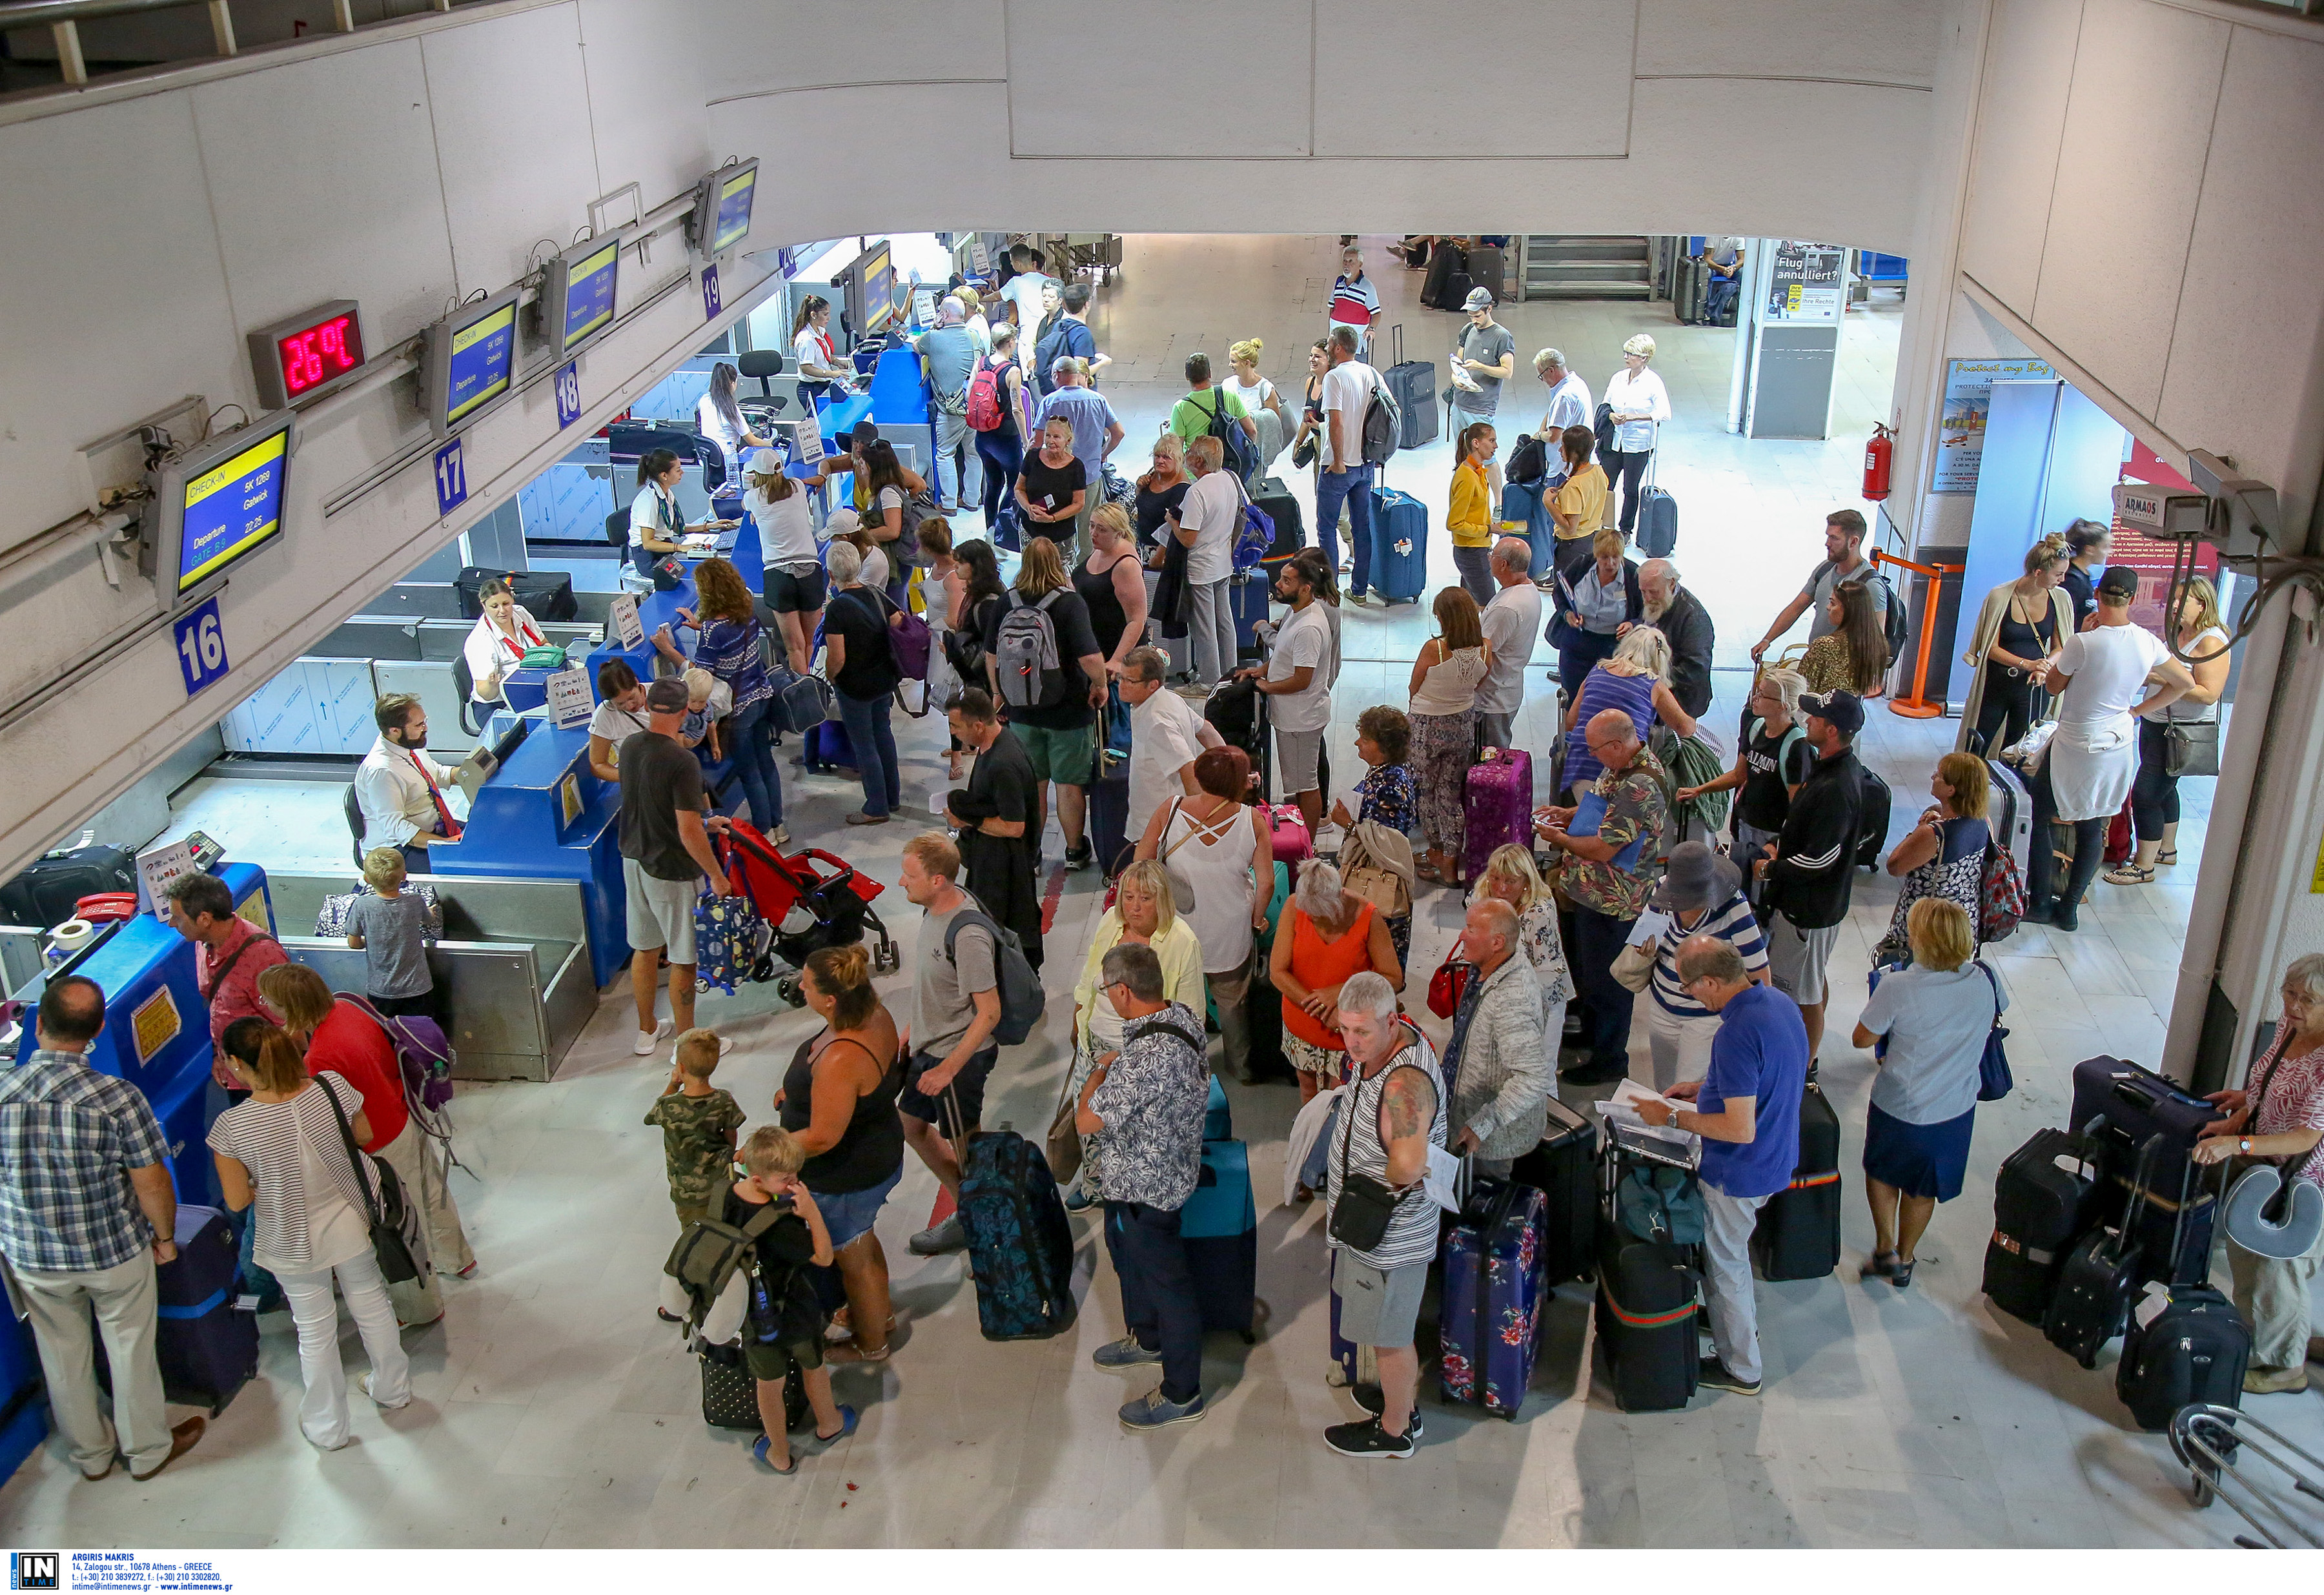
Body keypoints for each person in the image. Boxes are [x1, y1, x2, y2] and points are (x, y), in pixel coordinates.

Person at [0, 977, 204, 1482]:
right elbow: (152, 1181)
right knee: (130, 1346)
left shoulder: (3, 1092)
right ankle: (146, 1450)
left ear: (38, 1023)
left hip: (34, 1257)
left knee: (61, 1354)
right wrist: (163, 1239)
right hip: (112, 1252)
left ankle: (90, 1456)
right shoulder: (116, 1097)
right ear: (95, 1031)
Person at [209, 1023, 410, 1450]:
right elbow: (365, 1135)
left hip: (291, 1238)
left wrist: (264, 1181)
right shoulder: (330, 1086)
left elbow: (238, 1200)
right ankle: (393, 1388)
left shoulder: (232, 1126)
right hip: (350, 1220)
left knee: (315, 1331)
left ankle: (328, 1427)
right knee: (372, 1302)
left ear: (239, 1064)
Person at [1633, 936, 1809, 1399]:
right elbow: (1767, 1076)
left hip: (1738, 1171)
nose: (1692, 995)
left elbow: (1737, 1128)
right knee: (1732, 1254)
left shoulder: (1735, 1033)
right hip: (1778, 1156)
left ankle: (1741, 1366)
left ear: (1711, 980)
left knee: (1725, 1261)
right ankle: (1735, 1323)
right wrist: (1705, 1087)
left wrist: (1669, 1115)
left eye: (1691, 987)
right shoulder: (1779, 1003)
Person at [258, 962, 473, 1307]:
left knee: (403, 1225)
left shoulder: (321, 1057)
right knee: (432, 1194)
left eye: (269, 1001)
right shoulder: (349, 1005)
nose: (264, 1005)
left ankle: (421, 1306)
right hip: (405, 1113)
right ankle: (458, 1257)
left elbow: (336, 1121)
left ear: (291, 1010)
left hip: (382, 1142)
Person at [1077, 943, 1213, 1430]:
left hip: (1146, 1188)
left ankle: (1182, 1391)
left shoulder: (1142, 1059)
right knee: (1127, 1253)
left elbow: (1087, 1120)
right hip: (1164, 1171)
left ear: (1122, 991)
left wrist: (1098, 1071)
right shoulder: (1183, 1017)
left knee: (1169, 1285)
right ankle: (1148, 1337)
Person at [1321, 971, 1447, 1459]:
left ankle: (1395, 1430)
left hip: (1389, 1237)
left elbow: (1411, 1162)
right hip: (1377, 1234)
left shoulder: (1404, 1082)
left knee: (1390, 1338)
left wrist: (1375, 1196)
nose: (1352, 1043)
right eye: (1346, 1030)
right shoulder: (1393, 1047)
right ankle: (1400, 1399)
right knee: (1384, 1328)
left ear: (1392, 1021)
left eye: (1363, 1032)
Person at [2030, 565, 2194, 930]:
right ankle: (2070, 908)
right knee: (2094, 824)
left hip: (2076, 741)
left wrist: (2081, 637)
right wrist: (2136, 710)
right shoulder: (2147, 642)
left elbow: (2054, 686)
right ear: (2133, 600)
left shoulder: (2084, 642)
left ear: (2098, 595)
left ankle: (2040, 901)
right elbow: (2183, 682)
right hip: (2117, 740)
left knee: (2041, 813)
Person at [1851, 899, 2003, 1288]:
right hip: (1954, 1108)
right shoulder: (1985, 978)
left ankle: (1884, 1248)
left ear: (1920, 938)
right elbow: (1997, 1013)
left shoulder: (1898, 986)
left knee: (1883, 1172)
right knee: (1923, 1188)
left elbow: (1860, 1039)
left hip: (1900, 1104)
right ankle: (1905, 1257)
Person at [2192, 954, 2324, 1396]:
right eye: (2289, 993)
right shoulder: (2292, 1031)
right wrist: (2244, 1106)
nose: (2293, 1006)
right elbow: (2270, 1084)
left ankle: (2286, 1367)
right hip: (2266, 1174)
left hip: (2308, 1186)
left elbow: (2306, 1136)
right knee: (2247, 1254)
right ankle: (2257, 1340)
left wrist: (2237, 1144)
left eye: (2308, 999)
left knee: (2279, 1269)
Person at [780, 944, 906, 1365]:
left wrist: (767, 1150)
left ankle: (870, 1343)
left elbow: (822, 1137)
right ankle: (880, 1315)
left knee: (854, 1260)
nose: (800, 986)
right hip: (877, 1147)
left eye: (807, 983)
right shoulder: (874, 1013)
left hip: (847, 1173)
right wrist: (795, 1094)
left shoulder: (842, 1056)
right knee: (863, 1244)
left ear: (830, 998)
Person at [1536, 709, 1669, 1084]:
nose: (1592, 757)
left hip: (1612, 901)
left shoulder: (1640, 785)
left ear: (1616, 743)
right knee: (1587, 973)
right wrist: (1568, 813)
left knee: (1609, 983)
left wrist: (1560, 839)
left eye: (1595, 750)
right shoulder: (1623, 765)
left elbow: (1605, 848)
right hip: (1589, 893)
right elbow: (1605, 807)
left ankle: (1610, 1058)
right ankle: (1590, 1033)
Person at [714, 1126, 857, 1473]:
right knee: (814, 1366)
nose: (794, 1184)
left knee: (769, 1384)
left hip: (751, 1315)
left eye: (796, 1175)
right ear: (760, 1179)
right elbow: (823, 1258)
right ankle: (829, 1423)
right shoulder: (782, 1224)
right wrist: (811, 1213)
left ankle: (779, 1453)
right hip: (795, 1312)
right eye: (785, 1179)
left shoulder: (726, 1194)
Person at [1067, 862, 1205, 1210]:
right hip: (1095, 1042)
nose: (1135, 906)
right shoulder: (1109, 924)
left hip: (1140, 1049)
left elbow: (1192, 1011)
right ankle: (1093, 1182)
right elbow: (1088, 977)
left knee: (1133, 1130)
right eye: (1128, 897)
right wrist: (1079, 1015)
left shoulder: (1182, 942)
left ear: (1163, 901)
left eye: (1145, 898)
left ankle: (1128, 1194)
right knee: (1091, 1124)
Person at [895, 833, 1006, 1256]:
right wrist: (912, 1029)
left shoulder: (967, 934)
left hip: (958, 1059)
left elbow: (989, 1012)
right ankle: (968, 1208)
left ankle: (988, 1237)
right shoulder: (932, 911)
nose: (901, 882)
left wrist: (949, 1068)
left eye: (910, 874)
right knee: (911, 1126)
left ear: (938, 880)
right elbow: (935, 987)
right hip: (930, 1047)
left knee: (968, 1151)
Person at [1137, 747, 1273, 1084]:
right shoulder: (1252, 821)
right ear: (1242, 784)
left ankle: (1181, 1067)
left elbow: (1141, 862)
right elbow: (1267, 883)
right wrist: (1257, 920)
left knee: (1177, 1000)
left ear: (1197, 776)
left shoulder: (1170, 811)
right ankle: (1239, 1068)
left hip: (1176, 929)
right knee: (1231, 1004)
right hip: (1229, 932)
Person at [618, 677, 730, 1055]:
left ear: (649, 704)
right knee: (684, 957)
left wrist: (703, 821)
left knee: (645, 948)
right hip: (670, 869)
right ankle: (688, 1047)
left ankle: (647, 1031)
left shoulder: (631, 747)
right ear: (685, 712)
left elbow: (654, 806)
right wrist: (716, 874)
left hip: (633, 860)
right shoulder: (682, 759)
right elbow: (686, 831)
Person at [983, 536, 1107, 868]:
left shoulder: (1006, 602)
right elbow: (1090, 657)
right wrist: (1100, 684)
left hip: (1022, 710)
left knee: (1033, 784)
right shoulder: (1070, 603)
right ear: (1059, 562)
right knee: (1068, 784)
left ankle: (1032, 853)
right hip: (1068, 710)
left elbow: (991, 654)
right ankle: (1074, 851)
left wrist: (999, 694)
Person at [1756, 689, 1866, 1061]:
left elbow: (1821, 859)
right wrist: (1780, 844)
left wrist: (1773, 867)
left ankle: (1805, 1065)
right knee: (1813, 980)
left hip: (1810, 909)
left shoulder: (1837, 787)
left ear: (1832, 730)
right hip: (1816, 906)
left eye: (1815, 718)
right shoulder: (1828, 767)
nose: (1807, 721)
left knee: (1804, 996)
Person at [2111, 573, 2232, 886]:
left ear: (2202, 604)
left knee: (2146, 794)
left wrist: (2163, 680)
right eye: (2174, 599)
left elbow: (2209, 692)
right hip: (2157, 722)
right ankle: (2166, 849)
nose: (2175, 605)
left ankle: (2144, 865)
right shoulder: (2179, 633)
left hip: (2181, 731)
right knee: (2167, 789)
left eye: (2182, 600)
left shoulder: (2211, 640)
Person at [662, 556, 782, 839]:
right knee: (766, 762)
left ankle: (763, 831)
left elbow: (700, 680)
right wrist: (701, 628)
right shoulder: (748, 611)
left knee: (749, 770)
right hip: (762, 696)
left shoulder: (713, 632)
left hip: (738, 709)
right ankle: (778, 824)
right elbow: (731, 640)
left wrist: (668, 649)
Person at [1637, 842, 1769, 1092]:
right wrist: (1645, 948)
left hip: (1706, 1020)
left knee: (1690, 1092)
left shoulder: (1734, 907)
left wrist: (1748, 1027)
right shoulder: (1662, 891)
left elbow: (1760, 975)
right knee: (1665, 1088)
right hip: (1661, 1008)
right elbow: (1644, 936)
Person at [1273, 861, 1403, 1104]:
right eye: (1309, 914)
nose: (1312, 920)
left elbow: (1393, 978)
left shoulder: (1368, 916)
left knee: (1341, 1096)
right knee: (1307, 1089)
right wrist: (1324, 1012)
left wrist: (1342, 991)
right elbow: (1278, 972)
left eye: (1320, 915)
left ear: (1338, 899)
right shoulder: (1294, 906)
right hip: (1303, 1022)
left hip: (1349, 1031)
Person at [1682, 668, 1811, 900]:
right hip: (1744, 822)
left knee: (1761, 895)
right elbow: (1739, 775)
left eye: (1762, 695)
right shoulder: (1755, 728)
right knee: (1739, 884)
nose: (1754, 699)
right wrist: (1700, 790)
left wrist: (1779, 845)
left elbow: (1798, 808)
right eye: (1756, 691)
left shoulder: (1796, 747)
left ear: (1783, 705)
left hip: (1771, 833)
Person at [1444, 898, 1550, 1177]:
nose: (1461, 935)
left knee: (1483, 1206)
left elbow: (1533, 1078)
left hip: (1489, 1141)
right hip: (1466, 1116)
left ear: (1497, 942)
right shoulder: (1491, 966)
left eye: (1471, 929)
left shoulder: (1511, 999)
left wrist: (1483, 1124)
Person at [164, 870, 287, 1101]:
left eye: (177, 918)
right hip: (235, 1070)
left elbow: (289, 1025)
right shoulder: (203, 944)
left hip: (269, 1078)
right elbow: (217, 1007)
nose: (172, 924)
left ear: (204, 919)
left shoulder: (263, 956)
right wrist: (220, 1056)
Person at [1234, 551, 1334, 831]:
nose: (1279, 584)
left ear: (1306, 588)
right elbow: (1284, 655)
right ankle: (1301, 835)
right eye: (1281, 578)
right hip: (1291, 717)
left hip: (1301, 720)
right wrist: (1263, 670)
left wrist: (1268, 686)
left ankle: (1308, 845)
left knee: (1306, 785)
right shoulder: (1295, 612)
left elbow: (1302, 678)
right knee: (1297, 784)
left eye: (1287, 581)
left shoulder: (1310, 628)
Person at [945, 690, 1042, 970]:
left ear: (978, 726)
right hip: (992, 858)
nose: (954, 734)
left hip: (1005, 869)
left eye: (956, 727)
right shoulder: (994, 744)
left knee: (1007, 935)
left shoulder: (1003, 764)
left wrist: (967, 821)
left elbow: (1014, 827)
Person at [1956, 533, 2073, 757]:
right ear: (2038, 572)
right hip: (1998, 682)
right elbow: (1989, 647)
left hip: (2032, 687)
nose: (2063, 580)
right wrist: (2028, 664)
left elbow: (2061, 646)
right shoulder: (2000, 597)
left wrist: (2044, 666)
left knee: (2018, 749)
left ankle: (2009, 789)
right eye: (2058, 574)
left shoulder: (2060, 599)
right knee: (1978, 744)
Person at [1407, 587, 1494, 885]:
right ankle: (1452, 861)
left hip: (1426, 726)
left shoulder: (1436, 649)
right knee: (1451, 792)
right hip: (1462, 724)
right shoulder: (1485, 647)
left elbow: (1414, 685)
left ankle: (1434, 852)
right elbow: (1480, 681)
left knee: (1427, 792)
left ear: (1443, 617)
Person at [1876, 753, 1992, 966]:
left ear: (1952, 789)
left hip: (1926, 928)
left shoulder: (1932, 834)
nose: (1933, 777)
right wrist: (1939, 812)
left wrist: (1918, 829)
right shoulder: (1983, 822)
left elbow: (1894, 865)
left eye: (1939, 775)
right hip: (1962, 925)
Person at [821, 541, 904, 827]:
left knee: (864, 744)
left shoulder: (837, 610)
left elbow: (837, 658)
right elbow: (898, 620)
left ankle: (876, 806)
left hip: (856, 687)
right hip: (884, 679)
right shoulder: (876, 594)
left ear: (831, 575)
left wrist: (830, 677)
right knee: (883, 735)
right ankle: (892, 797)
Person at [1560, 624, 1697, 796]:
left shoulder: (1597, 671)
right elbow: (1684, 728)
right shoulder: (1653, 685)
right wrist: (1693, 720)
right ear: (1660, 658)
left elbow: (1571, 723)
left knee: (1592, 816)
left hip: (1581, 765)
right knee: (1614, 819)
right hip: (1621, 771)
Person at [1749, 509, 1888, 664]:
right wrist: (1767, 639)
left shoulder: (1870, 585)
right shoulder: (1825, 569)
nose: (1827, 543)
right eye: (1828, 536)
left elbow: (1876, 644)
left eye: (1834, 538)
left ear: (1853, 542)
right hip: (1817, 663)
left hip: (1845, 673)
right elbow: (1797, 607)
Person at [644, 1022, 746, 1227]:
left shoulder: (669, 1105)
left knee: (695, 1236)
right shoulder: (723, 1100)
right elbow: (731, 1134)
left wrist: (673, 1084)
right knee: (727, 1229)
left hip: (687, 1193)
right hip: (722, 1185)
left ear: (680, 1067)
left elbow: (650, 1118)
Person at [1121, 645, 1222, 848]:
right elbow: (1207, 731)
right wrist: (1230, 771)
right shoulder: (1171, 698)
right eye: (1121, 678)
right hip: (1161, 819)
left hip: (1162, 827)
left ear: (1152, 685)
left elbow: (1188, 770)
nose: (1121, 686)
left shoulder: (1157, 722)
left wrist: (1203, 824)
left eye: (1129, 681)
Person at [355, 693, 461, 870]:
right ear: (395, 730)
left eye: (424, 721)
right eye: (419, 725)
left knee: (488, 837)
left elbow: (437, 775)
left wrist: (477, 772)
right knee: (468, 864)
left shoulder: (410, 745)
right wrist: (445, 844)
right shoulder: (382, 771)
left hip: (432, 829)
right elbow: (396, 828)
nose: (425, 728)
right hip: (398, 848)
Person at [1171, 435, 1243, 688]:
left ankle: (1210, 681)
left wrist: (1172, 523)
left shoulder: (1197, 492)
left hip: (1202, 567)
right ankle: (1231, 672)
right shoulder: (1229, 479)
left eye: (1189, 451)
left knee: (1204, 628)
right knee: (1225, 621)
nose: (1186, 454)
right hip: (1223, 562)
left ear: (1198, 461)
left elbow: (1188, 539)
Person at [1478, 845, 1572, 1039]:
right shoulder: (1481, 896)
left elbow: (1549, 971)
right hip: (1498, 997)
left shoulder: (1538, 912)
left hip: (1542, 999)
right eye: (1495, 878)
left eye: (1511, 881)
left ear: (1526, 882)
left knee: (1541, 1065)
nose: (1501, 888)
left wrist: (1511, 998)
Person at [343, 846, 442, 1028]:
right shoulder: (415, 901)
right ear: (404, 877)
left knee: (387, 1037)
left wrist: (370, 940)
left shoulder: (362, 905)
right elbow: (428, 920)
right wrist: (430, 912)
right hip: (418, 988)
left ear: (366, 880)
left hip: (382, 991)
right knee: (421, 1037)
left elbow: (353, 943)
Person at [1035, 360, 1124, 559]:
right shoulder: (1099, 400)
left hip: (1057, 481)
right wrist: (1103, 453)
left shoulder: (1050, 402)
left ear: (1057, 375)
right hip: (1090, 478)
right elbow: (1118, 433)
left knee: (1057, 531)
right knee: (1089, 533)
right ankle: (1084, 578)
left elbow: (1037, 441)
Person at [746, 449, 824, 675]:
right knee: (809, 644)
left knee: (795, 649)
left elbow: (748, 506)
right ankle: (813, 688)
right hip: (810, 569)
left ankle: (802, 696)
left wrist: (755, 513)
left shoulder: (753, 497)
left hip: (778, 574)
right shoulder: (798, 487)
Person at [1318, 325, 1383, 594]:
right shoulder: (1372, 373)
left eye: (1331, 344)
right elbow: (1390, 412)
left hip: (1340, 467)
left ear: (1339, 348)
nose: (1328, 348)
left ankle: (1330, 592)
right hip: (1366, 465)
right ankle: (1359, 591)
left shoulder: (1334, 378)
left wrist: (1339, 460)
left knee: (1327, 528)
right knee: (1361, 527)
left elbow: (1336, 422)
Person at [1551, 527, 1643, 704]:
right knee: (1572, 698)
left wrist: (1633, 623)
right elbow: (1559, 593)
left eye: (1616, 557)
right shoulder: (1582, 566)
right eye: (1604, 558)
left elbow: (1646, 611)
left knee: (1606, 700)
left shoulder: (1633, 575)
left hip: (1613, 650)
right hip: (1577, 645)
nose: (1610, 564)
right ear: (1595, 555)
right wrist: (1567, 613)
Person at [1472, 538, 1542, 751]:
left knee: (1488, 762)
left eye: (1492, 554)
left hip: (1493, 700)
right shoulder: (1526, 589)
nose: (1488, 558)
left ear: (1503, 564)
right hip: (1506, 688)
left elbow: (1482, 653)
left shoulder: (1507, 607)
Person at [1448, 290, 1517, 498]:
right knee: (1462, 454)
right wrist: (1456, 380)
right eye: (1471, 316)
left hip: (1481, 408)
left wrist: (1481, 366)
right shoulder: (1468, 330)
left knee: (1488, 457)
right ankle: (1466, 492)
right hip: (1460, 403)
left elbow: (1507, 371)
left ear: (1489, 309)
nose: (1474, 320)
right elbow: (1457, 365)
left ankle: (1499, 501)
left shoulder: (1502, 337)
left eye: (1478, 315)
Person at [1600, 334, 1671, 537]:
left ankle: (1626, 529)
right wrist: (1612, 415)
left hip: (1638, 445)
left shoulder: (1653, 382)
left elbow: (1665, 413)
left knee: (1630, 488)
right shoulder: (1618, 378)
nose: (1626, 357)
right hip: (1614, 441)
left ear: (1645, 358)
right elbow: (1606, 403)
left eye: (1631, 354)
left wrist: (1636, 417)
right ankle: (1604, 525)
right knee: (1606, 485)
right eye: (1626, 353)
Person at [915, 296, 980, 513]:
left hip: (950, 409)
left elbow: (916, 346)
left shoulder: (933, 337)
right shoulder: (974, 337)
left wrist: (935, 325)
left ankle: (949, 503)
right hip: (974, 407)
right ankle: (972, 500)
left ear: (944, 314)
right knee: (973, 453)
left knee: (945, 453)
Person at [629, 449, 727, 584]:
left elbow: (676, 527)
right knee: (690, 577)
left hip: (663, 548)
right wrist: (680, 547)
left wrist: (708, 526)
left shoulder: (667, 494)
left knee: (702, 569)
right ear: (664, 475)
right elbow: (648, 543)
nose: (682, 472)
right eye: (678, 470)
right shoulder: (649, 501)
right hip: (649, 558)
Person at [1077, 502, 1150, 682]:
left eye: (1101, 529)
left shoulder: (1126, 566)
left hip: (1113, 649)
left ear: (1119, 533)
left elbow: (1137, 619)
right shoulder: (1101, 548)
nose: (1094, 533)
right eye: (1092, 525)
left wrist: (1117, 660)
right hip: (1095, 643)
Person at [458, 575, 549, 716]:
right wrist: (492, 685)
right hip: (497, 704)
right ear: (484, 606)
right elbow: (486, 694)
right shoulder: (479, 641)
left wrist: (557, 655)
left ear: (512, 599)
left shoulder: (521, 613)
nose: (502, 611)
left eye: (506, 604)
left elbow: (543, 643)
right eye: (494, 607)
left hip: (532, 691)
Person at [1636, 559, 1715, 719]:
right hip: (1655, 692)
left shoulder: (1693, 618)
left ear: (1671, 584)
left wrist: (1647, 675)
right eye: (1643, 591)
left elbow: (1695, 669)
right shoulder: (1657, 599)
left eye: (1653, 592)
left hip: (1680, 702)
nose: (1647, 598)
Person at [973, 325, 1028, 531]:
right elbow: (1017, 409)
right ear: (1011, 342)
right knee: (1016, 485)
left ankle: (989, 528)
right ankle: (1000, 528)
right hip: (1006, 438)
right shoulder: (1012, 371)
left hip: (983, 437)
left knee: (993, 483)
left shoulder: (980, 363)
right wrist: (1025, 438)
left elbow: (970, 391)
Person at [698, 360, 770, 513]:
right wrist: (774, 444)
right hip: (728, 465)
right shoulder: (730, 409)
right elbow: (753, 441)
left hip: (710, 464)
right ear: (732, 383)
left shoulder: (703, 401)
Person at [1799, 580, 1888, 696]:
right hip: (1849, 711)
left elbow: (1800, 688)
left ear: (1849, 609)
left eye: (1833, 603)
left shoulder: (1825, 646)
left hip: (1819, 711)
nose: (1828, 607)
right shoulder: (1876, 645)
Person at [1018, 414, 1090, 555]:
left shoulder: (1076, 467)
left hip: (1061, 535)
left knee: (1060, 575)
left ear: (1067, 441)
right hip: (1030, 530)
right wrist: (1028, 507)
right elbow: (1019, 488)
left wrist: (1052, 519)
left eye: (1057, 437)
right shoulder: (1032, 457)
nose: (1051, 441)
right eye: (1048, 436)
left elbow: (1079, 504)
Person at [1547, 423, 1610, 582]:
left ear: (1574, 452)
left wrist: (1548, 503)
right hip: (1593, 540)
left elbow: (1570, 528)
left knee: (1567, 593)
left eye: (1563, 446)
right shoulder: (1598, 471)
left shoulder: (1573, 486)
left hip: (1573, 548)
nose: (1560, 450)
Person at [1168, 351, 1260, 458]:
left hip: (1196, 472)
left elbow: (1175, 450)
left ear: (1187, 376)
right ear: (1210, 374)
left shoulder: (1181, 408)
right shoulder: (1230, 395)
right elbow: (1252, 431)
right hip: (1229, 468)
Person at [1447, 421, 1500, 605]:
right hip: (1471, 552)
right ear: (1476, 443)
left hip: (1477, 548)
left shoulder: (1478, 472)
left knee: (1468, 606)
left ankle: (1463, 634)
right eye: (1492, 440)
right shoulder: (1467, 477)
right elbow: (1454, 523)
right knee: (1489, 606)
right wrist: (1488, 529)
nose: (1496, 446)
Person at [1225, 339, 1290, 478]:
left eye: (1234, 361)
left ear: (1246, 363)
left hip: (1255, 454)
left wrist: (1252, 417)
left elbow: (1274, 422)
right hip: (1231, 451)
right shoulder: (1228, 385)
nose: (1230, 365)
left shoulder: (1265, 388)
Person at [1033, 282, 1103, 400]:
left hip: (1061, 392)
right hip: (1078, 399)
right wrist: (1103, 363)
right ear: (1087, 305)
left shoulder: (1060, 326)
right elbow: (1081, 374)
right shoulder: (1082, 334)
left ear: (1064, 305)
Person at [586, 660, 652, 784]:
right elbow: (597, 765)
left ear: (636, 682)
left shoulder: (661, 693)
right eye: (620, 704)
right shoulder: (605, 715)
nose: (630, 706)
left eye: (631, 697)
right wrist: (633, 777)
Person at [790, 294, 856, 409]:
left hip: (824, 385)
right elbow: (806, 367)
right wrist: (831, 373)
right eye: (825, 315)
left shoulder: (820, 331)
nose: (829, 318)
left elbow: (823, 352)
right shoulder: (807, 339)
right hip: (811, 389)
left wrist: (836, 361)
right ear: (813, 315)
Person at [1327, 243, 1383, 356]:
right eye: (1345, 261)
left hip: (1356, 343)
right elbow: (1333, 307)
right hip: (1336, 340)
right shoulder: (1338, 282)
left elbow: (1377, 313)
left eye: (1351, 261)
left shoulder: (1368, 287)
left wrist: (1371, 329)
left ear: (1360, 264)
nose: (1347, 265)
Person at [2058, 518, 2111, 631]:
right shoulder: (2071, 581)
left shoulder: (2084, 575)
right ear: (2089, 549)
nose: (2110, 552)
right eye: (2105, 547)